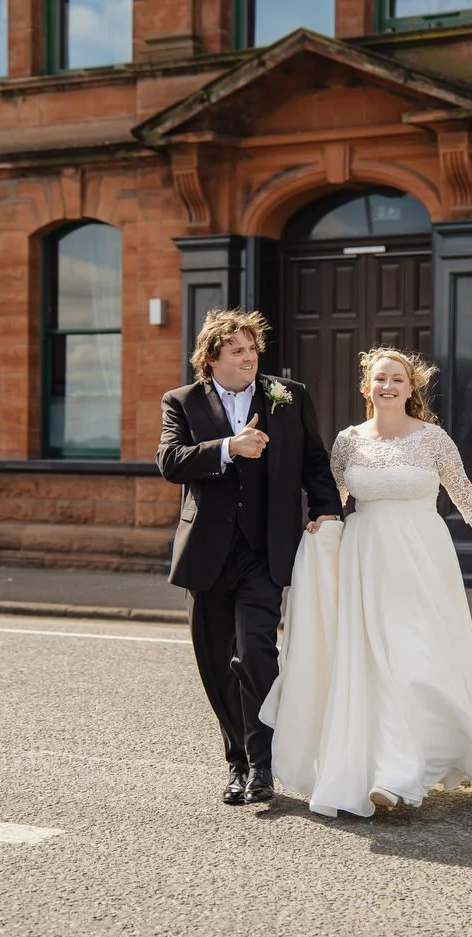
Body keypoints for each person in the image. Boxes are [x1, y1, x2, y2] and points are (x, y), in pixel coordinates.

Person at [262, 348, 472, 818]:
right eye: (380, 379)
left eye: (398, 379)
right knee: (375, 663)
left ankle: (415, 765)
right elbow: (331, 497)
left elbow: (467, 497)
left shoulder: (433, 439)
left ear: (411, 387)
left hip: (422, 561)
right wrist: (319, 524)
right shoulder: (348, 441)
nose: (388, 386)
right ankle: (395, 775)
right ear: (367, 387)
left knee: (420, 661)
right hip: (365, 562)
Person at [155, 308, 342, 806]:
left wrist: (327, 511)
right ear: (212, 357)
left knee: (255, 653)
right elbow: (170, 463)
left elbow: (314, 462)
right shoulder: (182, 402)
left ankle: (263, 765)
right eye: (237, 350)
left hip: (265, 551)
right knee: (217, 663)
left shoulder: (289, 395)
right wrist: (228, 447)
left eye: (253, 349)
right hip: (208, 558)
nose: (249, 357)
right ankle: (237, 761)